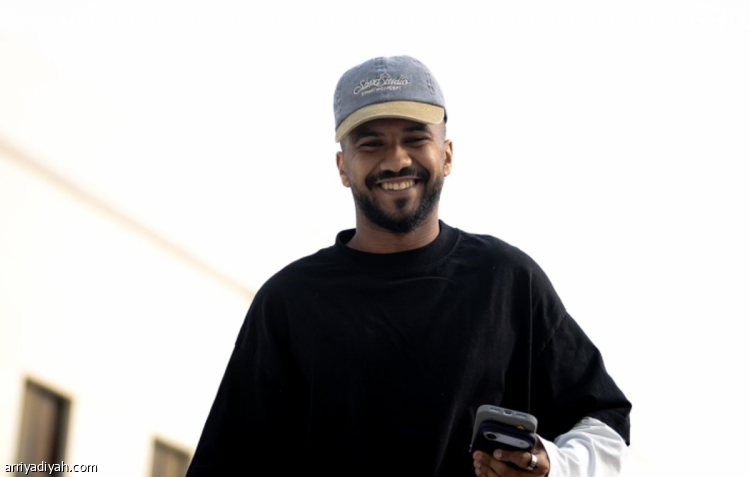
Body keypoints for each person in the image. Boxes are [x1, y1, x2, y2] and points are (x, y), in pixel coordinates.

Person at [186, 56, 631, 477]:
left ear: (447, 154)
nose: (397, 160)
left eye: (416, 139)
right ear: (343, 167)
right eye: (371, 143)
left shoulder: (507, 281)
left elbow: (605, 421)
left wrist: (549, 464)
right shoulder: (288, 303)